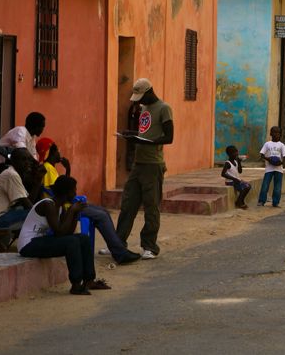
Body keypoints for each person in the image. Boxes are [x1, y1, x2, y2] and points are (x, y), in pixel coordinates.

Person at [36, 138, 141, 265]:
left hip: (69, 204)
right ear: (51, 153)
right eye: (57, 151)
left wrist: (68, 170)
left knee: (103, 212)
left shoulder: (51, 168)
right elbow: (58, 193)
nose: (59, 153)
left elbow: (64, 187)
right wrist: (75, 202)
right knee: (101, 215)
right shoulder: (48, 169)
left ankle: (118, 249)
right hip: (67, 208)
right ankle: (119, 252)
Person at [17, 176, 110, 295]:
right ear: (67, 192)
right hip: (28, 245)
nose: (76, 193)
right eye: (74, 190)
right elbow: (59, 233)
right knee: (72, 242)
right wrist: (71, 211)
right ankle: (76, 284)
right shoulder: (48, 205)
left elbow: (68, 233)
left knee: (83, 239)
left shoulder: (60, 207)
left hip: (40, 241)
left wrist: (75, 213)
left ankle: (89, 280)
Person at [116, 78, 174, 260]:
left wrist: (148, 143)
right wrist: (132, 135)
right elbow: (145, 132)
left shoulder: (164, 108)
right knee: (128, 205)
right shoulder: (144, 109)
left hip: (153, 164)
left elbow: (169, 137)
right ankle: (118, 243)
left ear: (150, 92)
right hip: (138, 164)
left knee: (151, 206)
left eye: (141, 97)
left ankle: (149, 246)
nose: (139, 101)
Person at [0, 148, 42, 237]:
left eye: (29, 160)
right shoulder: (11, 175)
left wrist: (38, 181)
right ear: (13, 161)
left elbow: (29, 202)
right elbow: (28, 206)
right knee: (39, 214)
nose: (27, 163)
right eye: (23, 159)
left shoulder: (14, 174)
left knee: (36, 212)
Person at [0, 112, 46, 181]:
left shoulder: (32, 138)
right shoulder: (20, 131)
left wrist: (37, 165)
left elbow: (33, 156)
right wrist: (36, 165)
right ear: (35, 126)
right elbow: (22, 151)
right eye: (42, 126)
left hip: (8, 164)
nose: (42, 130)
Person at [258, 126, 285, 207]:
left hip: (279, 169)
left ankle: (276, 202)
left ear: (280, 134)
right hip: (269, 168)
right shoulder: (267, 144)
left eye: (278, 133)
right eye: (274, 132)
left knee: (277, 187)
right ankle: (261, 201)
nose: (276, 134)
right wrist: (269, 159)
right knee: (265, 185)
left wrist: (281, 163)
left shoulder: (281, 145)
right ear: (271, 133)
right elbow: (262, 155)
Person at [222, 145, 251, 210]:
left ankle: (240, 201)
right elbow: (223, 174)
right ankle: (239, 202)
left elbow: (240, 171)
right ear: (229, 154)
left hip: (236, 181)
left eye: (236, 152)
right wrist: (234, 179)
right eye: (234, 153)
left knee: (248, 186)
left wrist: (239, 162)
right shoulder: (227, 163)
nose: (236, 154)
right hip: (230, 182)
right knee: (245, 187)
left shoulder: (236, 161)